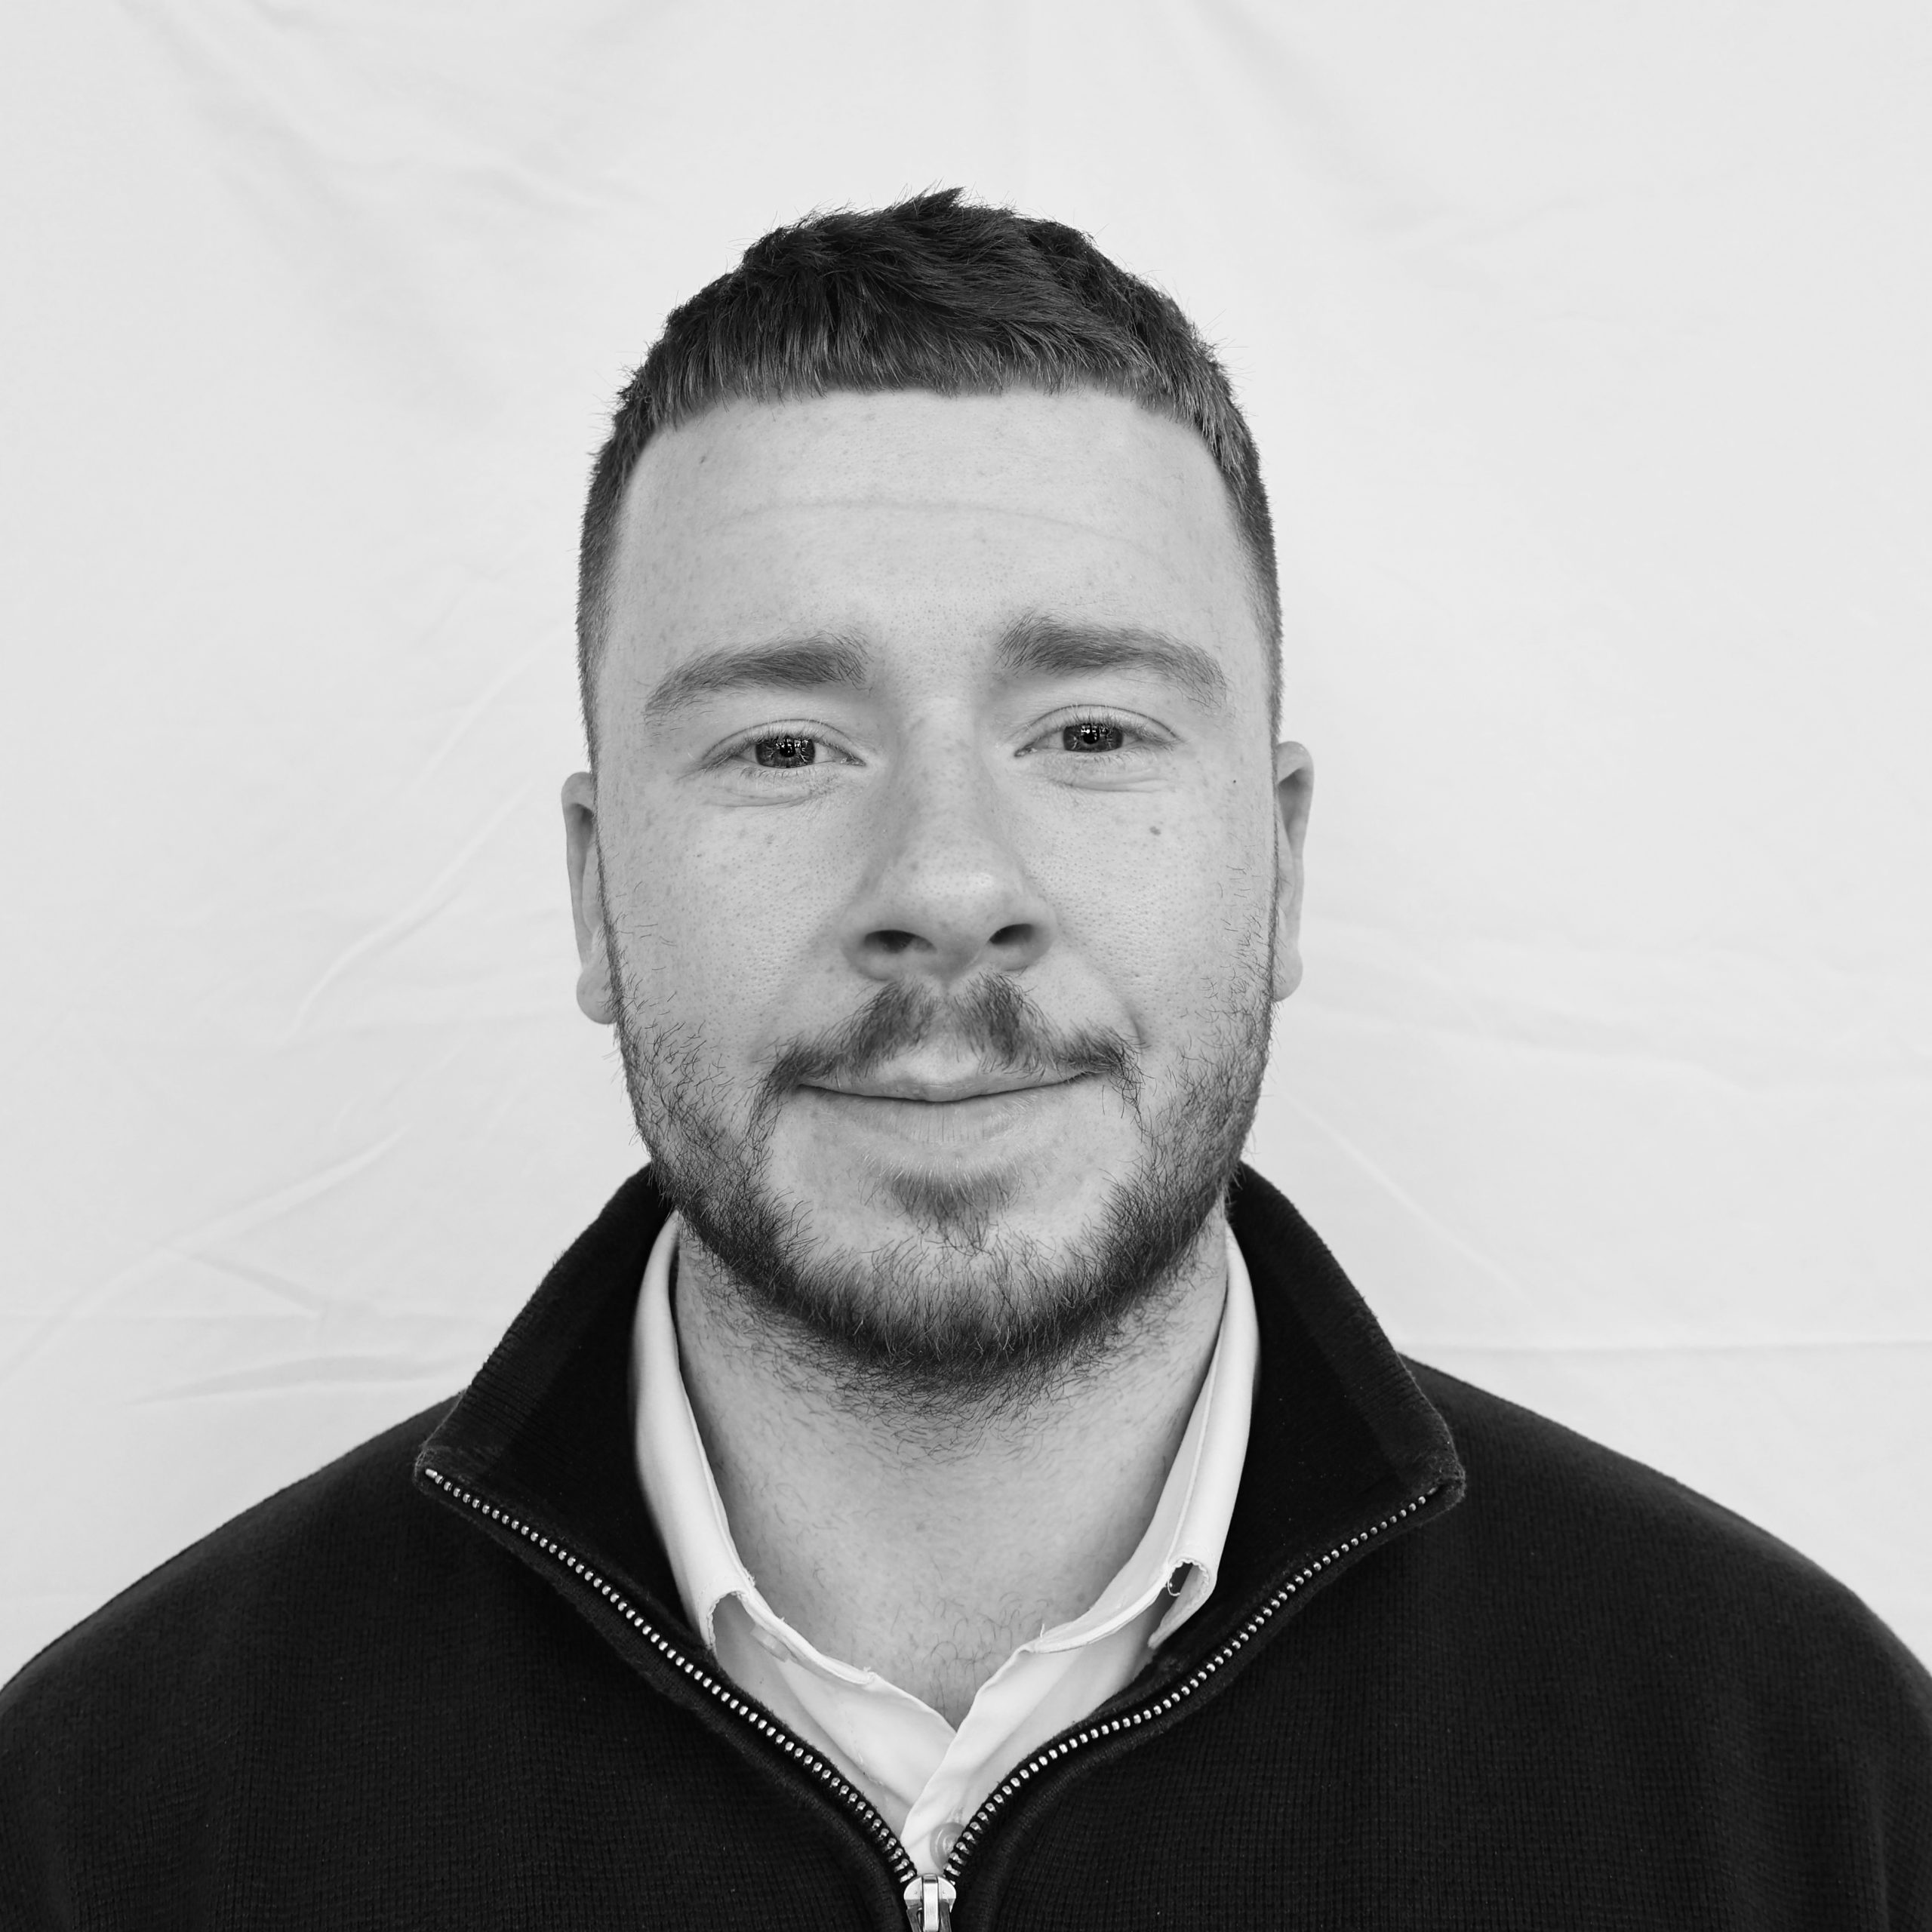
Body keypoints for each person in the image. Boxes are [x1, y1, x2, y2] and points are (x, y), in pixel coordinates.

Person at [2, 189, 1927, 1932]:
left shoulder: (1800, 1784)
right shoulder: (100, 1825)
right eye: (782, 745)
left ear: (1280, 860)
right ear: (595, 896)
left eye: (1088, 730)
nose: (942, 884)